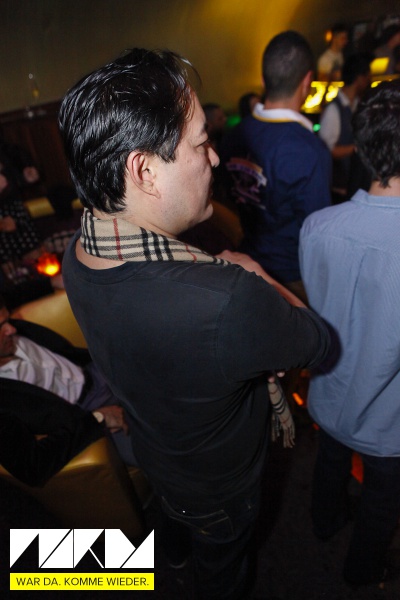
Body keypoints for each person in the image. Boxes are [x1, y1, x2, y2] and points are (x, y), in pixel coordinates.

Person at [59, 48, 330, 600]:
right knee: (223, 571)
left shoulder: (81, 249)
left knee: (174, 529)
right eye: (202, 143)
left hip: (158, 451)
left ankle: (170, 556)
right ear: (144, 170)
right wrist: (254, 273)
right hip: (218, 487)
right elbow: (319, 343)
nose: (215, 158)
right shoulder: (228, 299)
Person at [299, 79, 400, 587]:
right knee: (383, 497)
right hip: (387, 419)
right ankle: (361, 572)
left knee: (331, 462)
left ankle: (324, 523)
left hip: (330, 393)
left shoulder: (317, 225)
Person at [221, 31, 331, 303]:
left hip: (245, 263)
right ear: (307, 82)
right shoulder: (309, 150)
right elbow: (318, 232)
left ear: (263, 80)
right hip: (291, 276)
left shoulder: (234, 135)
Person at [0, 296, 133, 465]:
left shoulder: (11, 332)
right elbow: (31, 464)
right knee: (152, 450)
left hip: (97, 371)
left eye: (8, 320)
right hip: (85, 415)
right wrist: (97, 418)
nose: (11, 329)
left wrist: (51, 283)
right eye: (0, 327)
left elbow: (16, 291)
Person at [319, 53, 371, 202]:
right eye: (367, 77)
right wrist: (357, 148)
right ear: (359, 78)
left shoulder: (358, 105)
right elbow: (328, 150)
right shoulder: (334, 109)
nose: (369, 81)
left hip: (354, 187)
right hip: (338, 189)